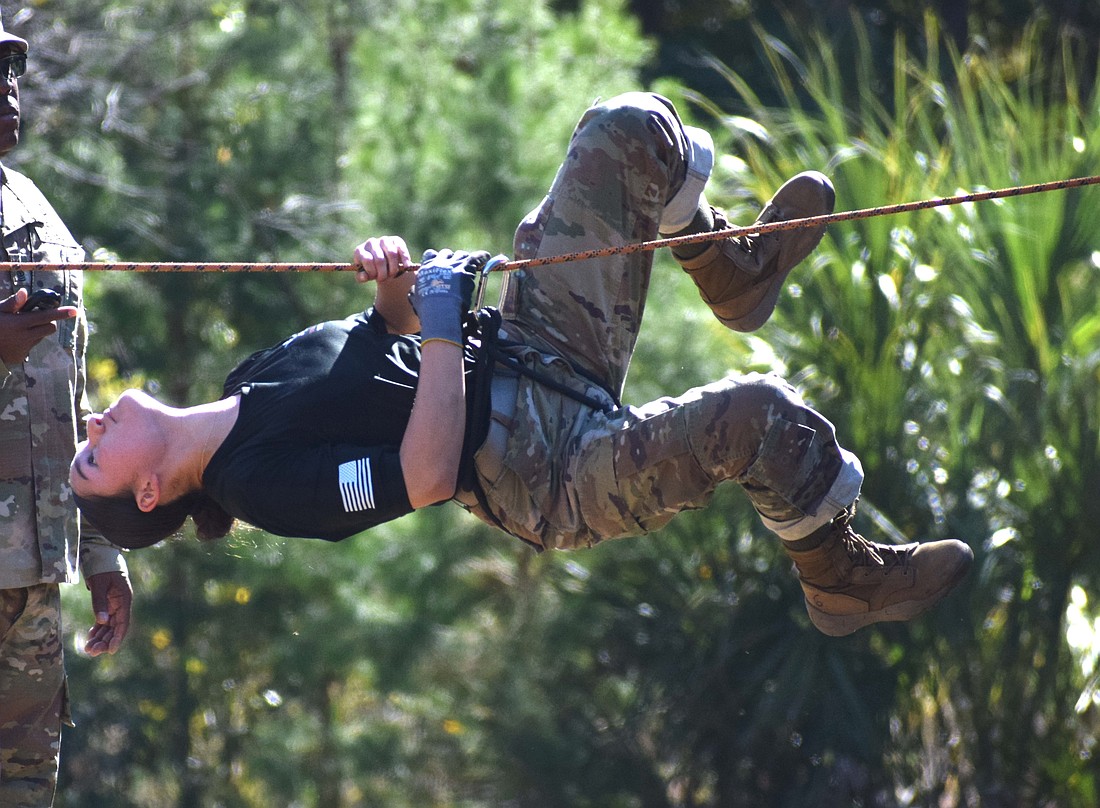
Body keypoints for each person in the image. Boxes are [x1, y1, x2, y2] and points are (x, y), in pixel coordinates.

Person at [70, 91, 972, 638]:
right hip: (550, 475)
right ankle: (840, 578)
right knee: (754, 418)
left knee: (629, 129)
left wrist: (395, 284)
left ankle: (729, 274)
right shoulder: (259, 488)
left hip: (531, 349)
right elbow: (423, 476)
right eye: (91, 457)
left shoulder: (249, 383)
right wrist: (433, 322)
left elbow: (379, 344)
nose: (92, 426)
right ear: (148, 494)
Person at [0, 12, 132, 806]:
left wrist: (105, 552)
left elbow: (70, 402)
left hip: (34, 580)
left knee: (24, 790)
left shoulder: (34, 209)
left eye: (12, 71)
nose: (7, 89)